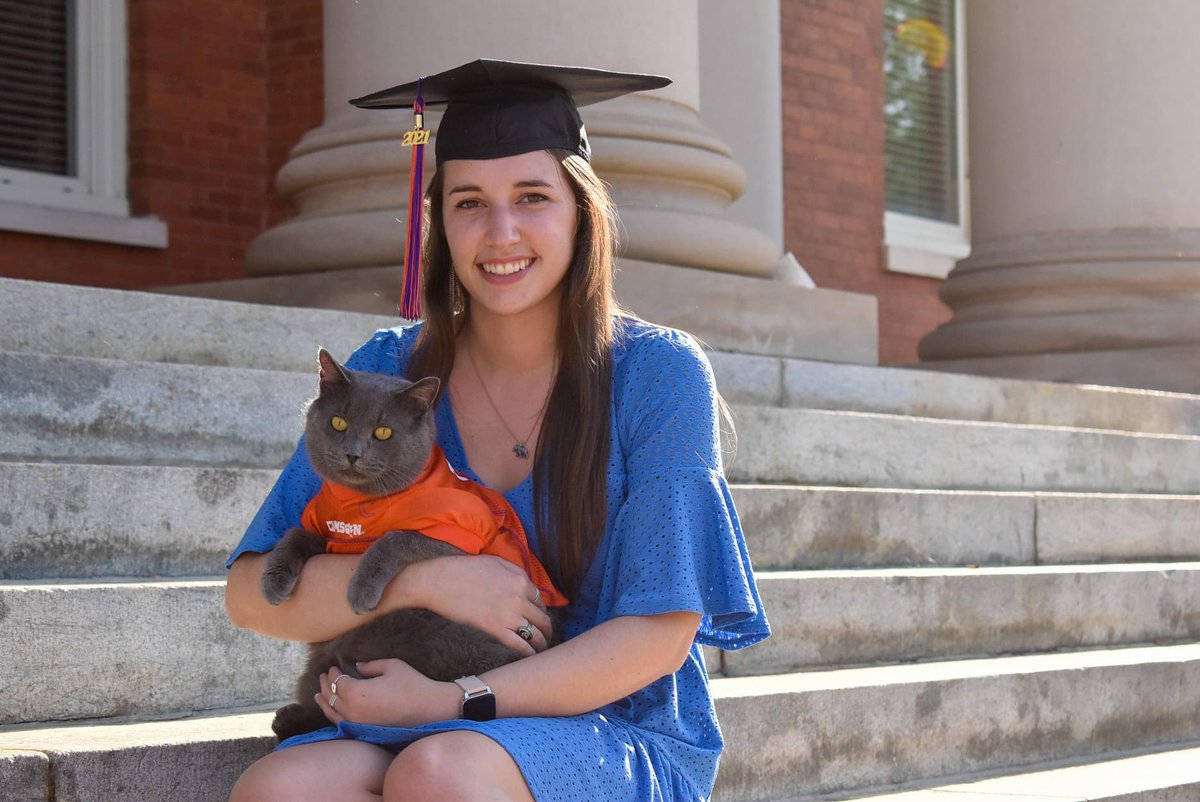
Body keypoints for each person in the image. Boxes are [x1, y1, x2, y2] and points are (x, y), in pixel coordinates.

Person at [224, 59, 769, 802]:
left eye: (533, 197)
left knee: (442, 770)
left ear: (582, 212)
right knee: (283, 787)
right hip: (408, 697)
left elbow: (661, 632)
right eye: (469, 202)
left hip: (608, 720)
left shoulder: (655, 374)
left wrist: (458, 703)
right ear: (440, 222)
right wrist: (432, 580)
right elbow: (253, 596)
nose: (500, 231)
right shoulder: (387, 370)